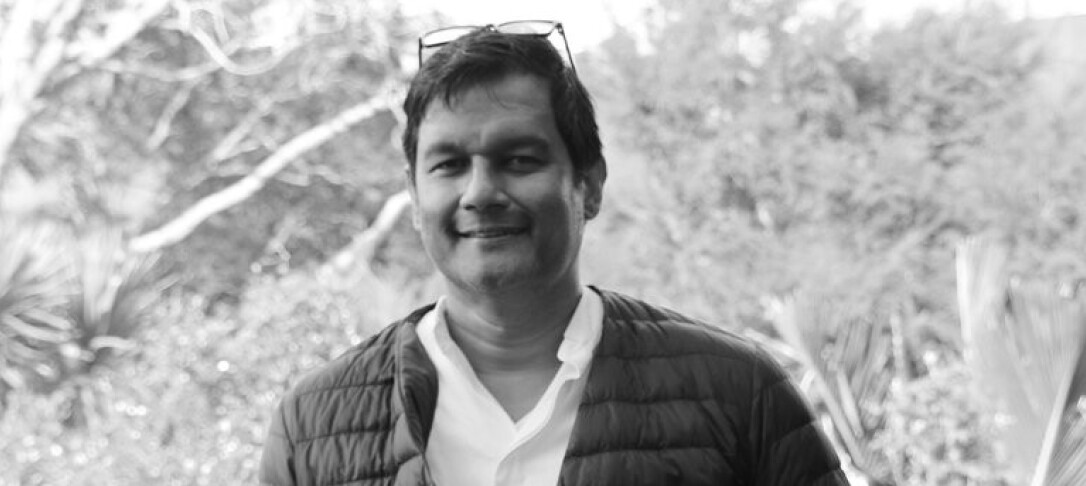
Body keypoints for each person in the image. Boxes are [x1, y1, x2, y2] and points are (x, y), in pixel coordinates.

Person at [260, 21, 848, 486]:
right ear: (415, 199)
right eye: (449, 165)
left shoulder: (738, 393)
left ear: (588, 185)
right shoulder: (313, 426)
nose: (480, 193)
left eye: (519, 160)